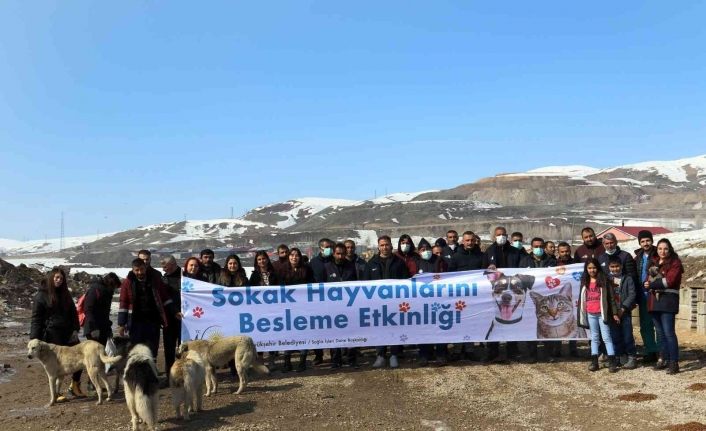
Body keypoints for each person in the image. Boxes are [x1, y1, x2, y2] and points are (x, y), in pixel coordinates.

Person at [30, 267, 84, 401]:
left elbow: (73, 313)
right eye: (56, 278)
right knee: (55, 366)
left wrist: (75, 329)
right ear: (51, 278)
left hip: (68, 333)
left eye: (61, 278)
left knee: (80, 358)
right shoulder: (41, 296)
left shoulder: (66, 294)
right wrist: (34, 338)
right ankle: (57, 393)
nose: (59, 280)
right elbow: (36, 318)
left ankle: (75, 385)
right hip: (52, 334)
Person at [118, 258, 179, 360]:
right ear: (133, 270)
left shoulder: (155, 280)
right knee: (136, 349)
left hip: (152, 321)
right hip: (135, 322)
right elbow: (124, 303)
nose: (140, 272)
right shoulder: (127, 283)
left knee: (152, 349)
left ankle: (152, 371)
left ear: (145, 268)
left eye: (142, 269)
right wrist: (121, 324)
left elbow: (165, 298)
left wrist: (175, 311)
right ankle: (138, 372)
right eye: (137, 270)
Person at [365, 235, 410, 368]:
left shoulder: (399, 263)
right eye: (382, 245)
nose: (384, 247)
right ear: (378, 247)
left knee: (394, 329)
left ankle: (394, 354)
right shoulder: (371, 264)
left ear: (391, 246)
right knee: (379, 329)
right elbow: (365, 285)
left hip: (394, 303)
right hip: (377, 305)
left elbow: (405, 282)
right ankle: (380, 355)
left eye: (387, 245)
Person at [482, 226, 521, 362]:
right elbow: (483, 271)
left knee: (512, 319)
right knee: (494, 319)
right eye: (498, 235)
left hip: (512, 290)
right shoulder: (489, 251)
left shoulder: (516, 252)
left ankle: (512, 350)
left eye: (503, 234)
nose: (501, 237)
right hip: (496, 292)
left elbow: (522, 268)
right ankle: (492, 351)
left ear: (507, 236)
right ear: (494, 236)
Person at [645, 238, 684, 374]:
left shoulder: (675, 263)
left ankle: (674, 362)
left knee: (669, 333)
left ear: (670, 249)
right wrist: (648, 284)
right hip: (653, 302)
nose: (662, 251)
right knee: (660, 334)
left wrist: (652, 284)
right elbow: (647, 280)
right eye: (660, 248)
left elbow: (670, 281)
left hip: (668, 302)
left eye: (665, 248)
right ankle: (663, 359)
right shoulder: (653, 262)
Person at [577, 258, 620, 373]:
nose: (592, 270)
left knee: (606, 337)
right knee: (594, 338)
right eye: (589, 268)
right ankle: (594, 361)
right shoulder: (584, 281)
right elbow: (582, 298)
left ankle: (612, 361)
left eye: (594, 268)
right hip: (591, 314)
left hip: (602, 314)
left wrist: (615, 313)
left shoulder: (604, 280)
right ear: (586, 269)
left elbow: (611, 298)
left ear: (598, 268)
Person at [519, 237, 557, 363]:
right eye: (536, 246)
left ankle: (548, 354)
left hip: (547, 297)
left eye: (540, 246)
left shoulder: (551, 261)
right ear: (531, 247)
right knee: (531, 325)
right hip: (531, 298)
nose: (538, 249)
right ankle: (532, 354)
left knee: (548, 325)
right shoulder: (524, 261)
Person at [415, 238, 449, 366]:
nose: (426, 252)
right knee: (424, 328)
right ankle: (424, 354)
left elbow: (447, 276)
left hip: (439, 299)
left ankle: (441, 354)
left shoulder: (440, 261)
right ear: (419, 252)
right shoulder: (417, 263)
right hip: (422, 301)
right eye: (423, 250)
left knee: (440, 326)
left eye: (428, 249)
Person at [325, 243, 359, 368]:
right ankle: (335, 360)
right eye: (338, 253)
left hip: (349, 306)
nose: (340, 256)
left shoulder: (351, 267)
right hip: (332, 307)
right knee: (334, 334)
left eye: (342, 254)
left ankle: (351, 359)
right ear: (334, 254)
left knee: (351, 333)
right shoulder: (327, 267)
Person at [281, 247, 315, 372]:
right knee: (288, 334)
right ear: (288, 256)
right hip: (288, 308)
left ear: (300, 257)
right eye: (292, 255)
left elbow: (312, 285)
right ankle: (287, 361)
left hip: (303, 308)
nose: (294, 257)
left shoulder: (306, 269)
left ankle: (302, 360)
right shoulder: (283, 270)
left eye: (296, 255)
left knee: (303, 333)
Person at [634, 230, 661, 364]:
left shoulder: (658, 255)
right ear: (639, 243)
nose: (645, 243)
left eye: (647, 240)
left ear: (652, 240)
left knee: (658, 324)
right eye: (643, 241)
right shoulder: (638, 257)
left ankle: (661, 352)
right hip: (642, 296)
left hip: (656, 295)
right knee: (645, 325)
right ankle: (650, 351)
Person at [606, 256, 637, 369]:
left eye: (617, 266)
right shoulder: (607, 280)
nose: (615, 269)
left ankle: (632, 356)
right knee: (615, 335)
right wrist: (613, 311)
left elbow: (632, 294)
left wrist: (623, 308)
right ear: (609, 267)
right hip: (613, 313)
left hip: (625, 311)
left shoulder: (627, 279)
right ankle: (619, 356)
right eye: (612, 267)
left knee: (627, 335)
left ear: (622, 266)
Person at [554, 242, 580, 357]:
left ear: (570, 251)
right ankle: (556, 349)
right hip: (556, 299)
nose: (565, 253)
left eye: (567, 251)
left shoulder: (576, 264)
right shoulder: (553, 264)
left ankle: (573, 349)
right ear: (558, 252)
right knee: (556, 323)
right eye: (562, 251)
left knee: (572, 322)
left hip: (572, 297)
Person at [160, 255, 182, 377]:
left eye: (166, 267)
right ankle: (170, 375)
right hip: (169, 319)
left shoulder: (185, 277)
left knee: (183, 348)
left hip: (184, 318)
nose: (164, 270)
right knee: (169, 349)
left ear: (173, 264)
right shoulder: (163, 279)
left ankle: (183, 373)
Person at [84, 272, 121, 345]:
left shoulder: (106, 291)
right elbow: (88, 309)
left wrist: (108, 329)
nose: (114, 289)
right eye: (114, 287)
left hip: (103, 328)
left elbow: (104, 314)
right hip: (94, 329)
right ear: (111, 283)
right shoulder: (95, 290)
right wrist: (93, 328)